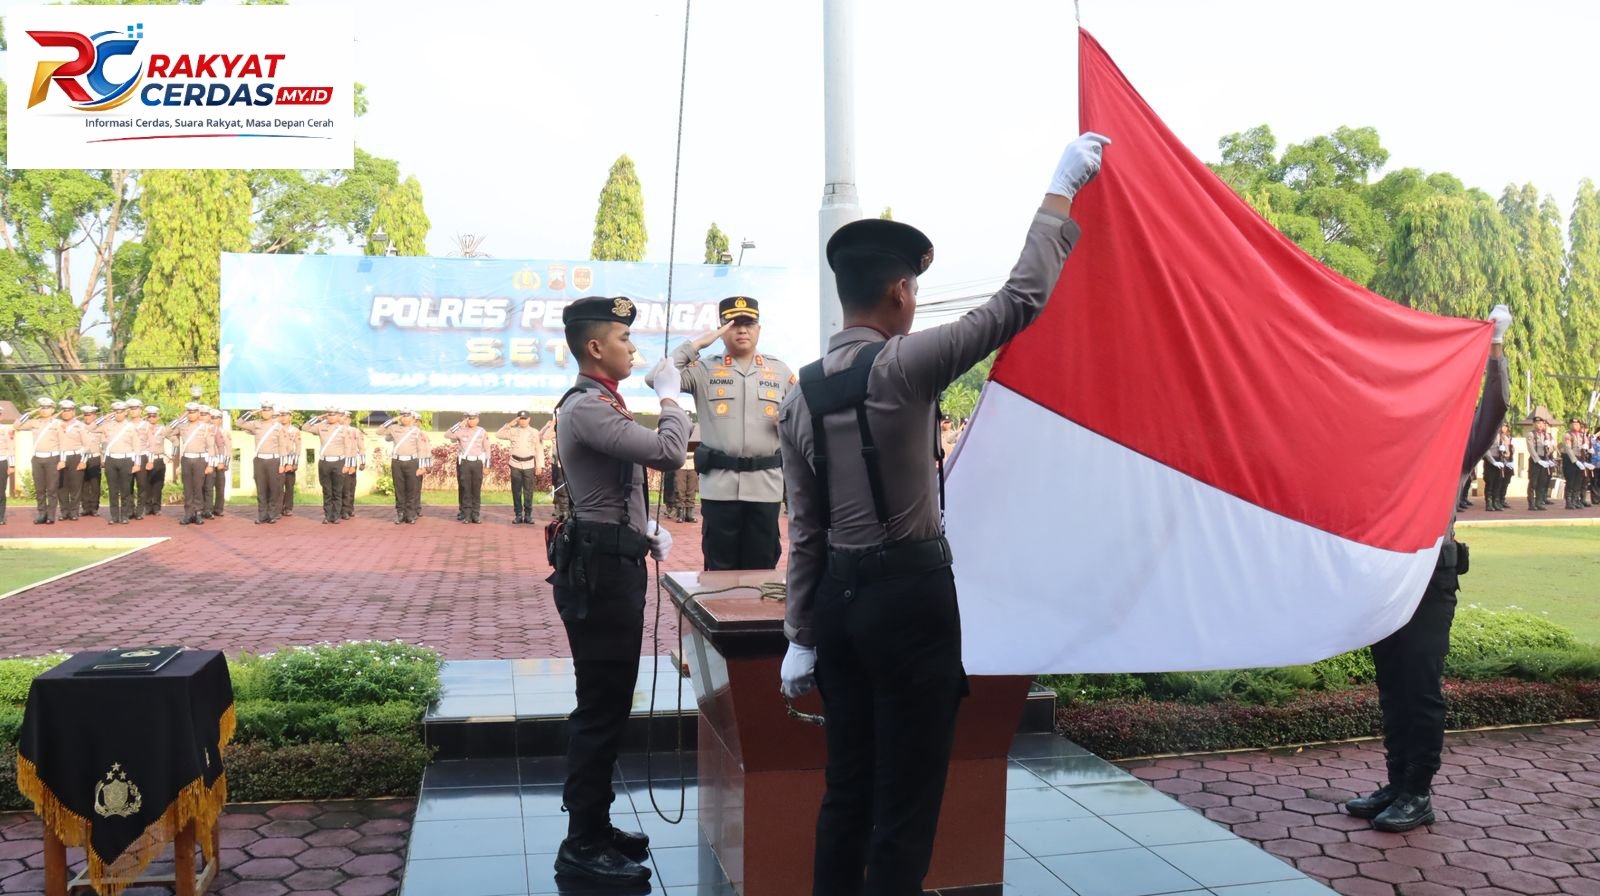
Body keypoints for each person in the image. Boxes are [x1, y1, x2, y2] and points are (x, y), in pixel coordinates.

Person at [778, 131, 1109, 896]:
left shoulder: (796, 392)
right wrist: (1060, 190)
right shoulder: (906, 364)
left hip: (838, 606)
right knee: (907, 801)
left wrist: (800, 637)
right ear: (898, 292)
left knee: (847, 789)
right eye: (914, 292)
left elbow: (807, 531)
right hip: (910, 603)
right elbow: (1019, 301)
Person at [1345, 304, 1511, 832]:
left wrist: (1495, 350)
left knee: (1419, 683)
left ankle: (1418, 790)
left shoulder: (1456, 450)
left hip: (1431, 577)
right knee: (1392, 682)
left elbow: (1497, 406)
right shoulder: (1390, 451)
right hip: (1388, 576)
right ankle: (1397, 781)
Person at [546, 296, 686, 885]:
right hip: (600, 574)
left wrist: (641, 531)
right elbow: (668, 452)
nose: (633, 348)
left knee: (609, 702)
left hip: (611, 561)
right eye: (624, 339)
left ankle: (596, 827)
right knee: (601, 707)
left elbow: (613, 490)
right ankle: (582, 841)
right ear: (596, 347)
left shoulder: (601, 403)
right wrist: (672, 394)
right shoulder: (587, 406)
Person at [651, 297, 795, 570]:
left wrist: (789, 421)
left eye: (748, 323)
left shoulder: (779, 371)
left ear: (759, 329)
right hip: (719, 489)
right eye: (733, 324)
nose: (742, 330)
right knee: (719, 570)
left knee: (762, 569)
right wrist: (698, 344)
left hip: (765, 489)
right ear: (721, 330)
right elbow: (656, 377)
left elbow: (805, 414)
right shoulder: (704, 370)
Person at [239, 403, 291, 524]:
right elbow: (239, 423)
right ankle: (262, 515)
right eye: (263, 411)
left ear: (272, 412)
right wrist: (252, 413)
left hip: (273, 460)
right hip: (259, 460)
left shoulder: (278, 427)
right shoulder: (256, 424)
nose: (265, 413)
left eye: (268, 411)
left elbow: (282, 447)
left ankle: (272, 514)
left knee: (274, 489)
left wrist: (282, 464)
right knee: (261, 489)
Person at [18, 397, 64, 525]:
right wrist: (31, 413)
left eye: (47, 408)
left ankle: (50, 515)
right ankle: (41, 514)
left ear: (52, 409)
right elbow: (17, 425)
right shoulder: (34, 422)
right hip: (37, 458)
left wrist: (62, 459)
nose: (44, 410)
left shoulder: (57, 423)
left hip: (52, 458)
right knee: (40, 489)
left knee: (51, 489)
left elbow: (63, 442)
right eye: (42, 408)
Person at [303, 409, 351, 524]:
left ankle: (335, 516)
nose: (331, 417)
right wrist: (319, 417)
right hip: (324, 462)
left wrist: (348, 464)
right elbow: (305, 427)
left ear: (338, 416)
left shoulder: (344, 429)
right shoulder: (321, 426)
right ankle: (327, 515)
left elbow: (348, 448)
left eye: (333, 415)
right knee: (327, 490)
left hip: (339, 462)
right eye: (329, 414)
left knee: (337, 491)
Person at [381, 409, 429, 524]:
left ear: (412, 418)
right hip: (397, 461)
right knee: (399, 489)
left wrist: (422, 467)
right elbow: (379, 431)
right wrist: (393, 420)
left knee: (411, 489)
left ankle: (410, 515)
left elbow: (421, 449)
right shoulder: (394, 428)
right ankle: (400, 514)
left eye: (407, 416)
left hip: (412, 462)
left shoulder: (416, 431)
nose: (404, 418)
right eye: (402, 416)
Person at [170, 402, 214, 526]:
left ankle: (198, 513)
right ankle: (188, 513)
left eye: (193, 412)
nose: (191, 414)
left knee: (198, 487)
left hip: (200, 460)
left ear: (198, 413)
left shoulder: (205, 427)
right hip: (186, 460)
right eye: (189, 412)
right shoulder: (182, 426)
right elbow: (168, 431)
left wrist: (210, 464)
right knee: (187, 487)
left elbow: (211, 446)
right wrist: (180, 419)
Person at [497, 410, 544, 524]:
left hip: (529, 464)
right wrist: (509, 425)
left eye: (525, 419)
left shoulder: (534, 432)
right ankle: (518, 514)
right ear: (517, 419)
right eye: (521, 419)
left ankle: (528, 515)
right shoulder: (512, 431)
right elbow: (498, 434)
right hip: (515, 464)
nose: (523, 421)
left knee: (528, 491)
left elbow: (539, 449)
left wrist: (539, 466)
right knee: (516, 490)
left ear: (529, 419)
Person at [101, 402, 143, 525]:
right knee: (113, 490)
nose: (118, 414)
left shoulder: (130, 427)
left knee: (125, 490)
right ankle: (114, 516)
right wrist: (105, 417)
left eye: (120, 411)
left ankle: (125, 515)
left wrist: (137, 464)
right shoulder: (107, 425)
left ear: (125, 412)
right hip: (111, 460)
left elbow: (137, 446)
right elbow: (91, 427)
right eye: (116, 411)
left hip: (126, 460)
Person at [448, 412, 489, 524]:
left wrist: (487, 465)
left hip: (477, 462)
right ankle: (466, 515)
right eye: (469, 419)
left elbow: (487, 449)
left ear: (478, 419)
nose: (472, 421)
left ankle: (475, 515)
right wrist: (460, 424)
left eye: (474, 419)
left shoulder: (482, 431)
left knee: (476, 490)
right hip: (465, 463)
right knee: (466, 489)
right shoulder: (461, 431)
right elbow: (448, 434)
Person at [142, 405, 168, 516]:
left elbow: (173, 437)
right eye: (149, 416)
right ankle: (147, 506)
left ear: (157, 417)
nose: (152, 418)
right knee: (146, 484)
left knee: (158, 484)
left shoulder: (163, 429)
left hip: (158, 459)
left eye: (154, 416)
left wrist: (173, 453)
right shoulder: (142, 429)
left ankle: (157, 507)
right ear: (147, 417)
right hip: (146, 459)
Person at [204, 408, 230, 518]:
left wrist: (225, 463)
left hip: (220, 462)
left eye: (217, 418)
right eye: (213, 418)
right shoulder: (206, 430)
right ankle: (208, 510)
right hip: (209, 461)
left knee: (220, 486)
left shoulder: (224, 432)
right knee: (208, 487)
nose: (214, 420)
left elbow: (228, 448)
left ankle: (219, 509)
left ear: (221, 420)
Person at [1526, 416, 1556, 511]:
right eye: (1538, 423)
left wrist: (1550, 446)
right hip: (1536, 460)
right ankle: (1531, 503)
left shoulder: (1546, 436)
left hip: (1544, 459)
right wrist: (1538, 460)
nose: (1540, 425)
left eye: (1541, 423)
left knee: (1542, 482)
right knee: (1533, 482)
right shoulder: (1531, 434)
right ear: (1534, 424)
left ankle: (1539, 502)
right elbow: (1531, 448)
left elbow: (1549, 450)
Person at [79, 405, 104, 517]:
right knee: (83, 483)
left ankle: (94, 507)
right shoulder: (80, 427)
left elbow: (104, 444)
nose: (87, 417)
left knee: (95, 483)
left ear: (94, 415)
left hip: (94, 457)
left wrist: (103, 459)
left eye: (89, 415)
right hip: (82, 458)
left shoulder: (100, 428)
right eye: (85, 415)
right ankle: (85, 507)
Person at [1483, 424, 1514, 512]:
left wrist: (1506, 458)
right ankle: (1489, 503)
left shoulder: (1504, 438)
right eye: (1501, 426)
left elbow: (1507, 453)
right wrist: (1493, 461)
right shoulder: (1489, 435)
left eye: (1505, 426)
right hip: (1491, 461)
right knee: (1490, 482)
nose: (1503, 428)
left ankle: (1495, 502)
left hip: (1500, 461)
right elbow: (1486, 450)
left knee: (1498, 482)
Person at [1564, 418, 1589, 509]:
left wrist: (1586, 447)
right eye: (1573, 424)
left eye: (1577, 424)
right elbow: (1568, 449)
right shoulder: (1568, 435)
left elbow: (1587, 445)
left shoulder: (1582, 436)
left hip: (1580, 459)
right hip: (1571, 460)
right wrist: (1575, 461)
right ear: (1570, 425)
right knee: (1571, 481)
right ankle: (1569, 501)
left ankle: (1575, 500)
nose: (1575, 426)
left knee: (1578, 481)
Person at [281, 409, 301, 517]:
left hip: (290, 460)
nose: (283, 417)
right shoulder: (276, 428)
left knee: (289, 486)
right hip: (278, 460)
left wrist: (295, 463)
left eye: (286, 415)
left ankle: (288, 508)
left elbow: (298, 447)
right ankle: (278, 506)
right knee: (277, 486)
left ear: (290, 417)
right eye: (282, 415)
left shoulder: (295, 430)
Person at [0, 414, 13, 526]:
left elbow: (10, 448)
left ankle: (0, 517)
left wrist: (12, 465)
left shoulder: (5, 430)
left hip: (2, 462)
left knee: (0, 491)